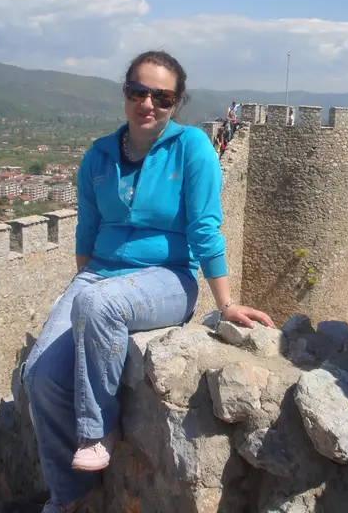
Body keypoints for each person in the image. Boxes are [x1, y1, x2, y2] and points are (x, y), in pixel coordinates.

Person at [22, 50, 274, 513]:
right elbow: (87, 232)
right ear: (125, 94)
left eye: (162, 96)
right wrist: (82, 289)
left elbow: (204, 228)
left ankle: (98, 431)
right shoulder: (99, 155)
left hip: (168, 278)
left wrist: (226, 303)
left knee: (98, 304)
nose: (148, 103)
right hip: (100, 275)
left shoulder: (191, 147)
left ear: (176, 103)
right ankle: (69, 495)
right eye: (138, 92)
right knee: (39, 376)